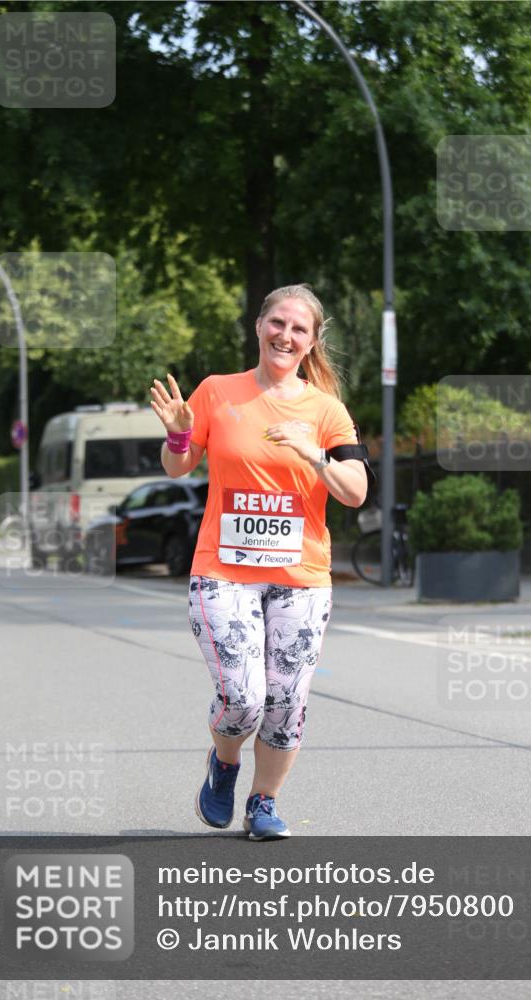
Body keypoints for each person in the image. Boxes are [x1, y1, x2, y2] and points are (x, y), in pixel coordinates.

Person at [150, 284, 367, 840]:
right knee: (242, 699)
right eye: (278, 323)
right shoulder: (218, 392)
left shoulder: (326, 411)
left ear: (312, 341)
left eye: (299, 329)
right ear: (259, 326)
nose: (285, 335)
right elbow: (177, 466)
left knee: (286, 703)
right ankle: (223, 765)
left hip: (301, 579)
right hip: (224, 572)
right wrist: (178, 432)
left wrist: (312, 453)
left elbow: (355, 491)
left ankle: (264, 802)